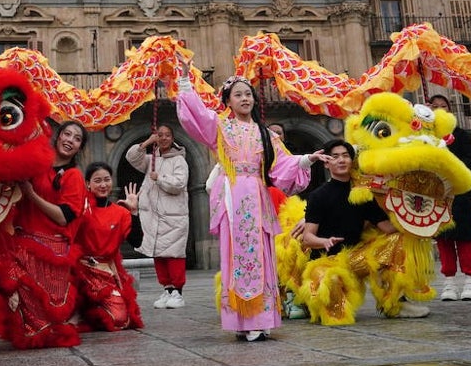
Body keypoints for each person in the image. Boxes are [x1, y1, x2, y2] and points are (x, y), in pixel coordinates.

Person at [175, 61, 324, 342]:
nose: (245, 99)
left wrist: (308, 159)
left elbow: (282, 164)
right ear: (228, 101)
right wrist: (184, 82)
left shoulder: (265, 134)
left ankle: (262, 317)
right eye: (238, 95)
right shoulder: (220, 127)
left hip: (257, 193)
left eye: (248, 94)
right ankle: (243, 319)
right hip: (234, 196)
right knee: (237, 255)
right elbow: (196, 117)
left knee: (263, 255)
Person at [1, 120, 87, 354]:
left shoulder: (73, 176)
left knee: (41, 329)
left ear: (79, 148)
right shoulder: (37, 164)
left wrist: (31, 195)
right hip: (22, 239)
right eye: (66, 134)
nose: (70, 140)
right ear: (57, 136)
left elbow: (63, 217)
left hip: (52, 246)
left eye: (76, 138)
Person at [297, 140, 404, 324]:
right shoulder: (318, 196)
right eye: (335, 156)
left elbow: (387, 228)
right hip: (326, 262)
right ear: (326, 162)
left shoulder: (363, 193)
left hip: (357, 258)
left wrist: (414, 225)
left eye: (345, 156)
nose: (341, 160)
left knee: (398, 240)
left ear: (351, 161)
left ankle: (394, 301)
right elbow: (307, 238)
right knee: (336, 312)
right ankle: (313, 302)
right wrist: (324, 242)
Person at [124, 124, 189, 309]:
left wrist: (159, 178)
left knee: (174, 255)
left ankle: (178, 292)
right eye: (160, 135)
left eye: (168, 135)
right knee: (158, 254)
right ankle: (167, 290)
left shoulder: (179, 160)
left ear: (173, 138)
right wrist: (146, 142)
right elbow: (131, 157)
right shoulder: (151, 159)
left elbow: (179, 183)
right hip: (154, 217)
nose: (163, 138)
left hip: (173, 217)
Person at [74, 162, 143, 331]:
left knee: (120, 320)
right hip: (80, 270)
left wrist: (134, 213)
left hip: (106, 271)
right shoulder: (80, 208)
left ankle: (90, 310)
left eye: (107, 179)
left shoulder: (121, 212)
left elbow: (137, 241)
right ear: (88, 184)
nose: (103, 185)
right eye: (97, 180)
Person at [428, 94, 471, 302]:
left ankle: (470, 280)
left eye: (444, 106)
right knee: (444, 239)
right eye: (435, 107)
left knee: (465, 238)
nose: (440, 110)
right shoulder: (427, 137)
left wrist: (451, 167)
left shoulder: (461, 135)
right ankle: (449, 281)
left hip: (459, 194)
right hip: (437, 196)